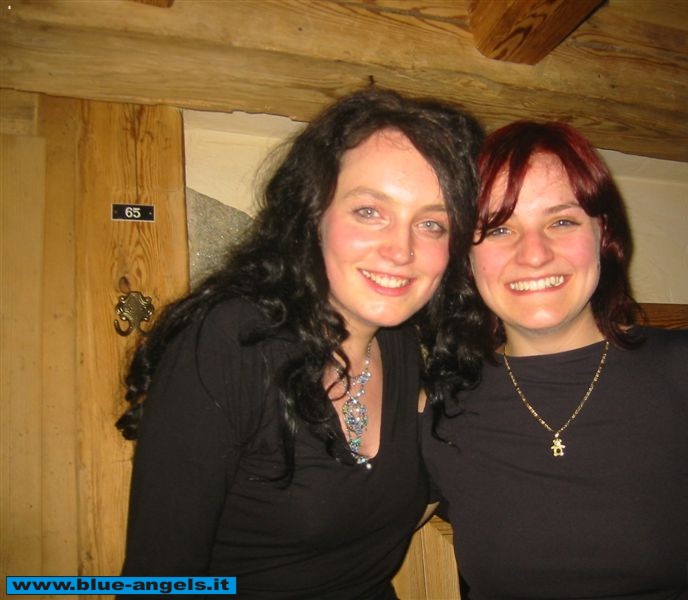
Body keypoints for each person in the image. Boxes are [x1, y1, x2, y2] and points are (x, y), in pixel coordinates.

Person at [116, 88, 483, 599]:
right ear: (312, 214)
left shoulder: (403, 347)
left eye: (431, 223)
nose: (401, 250)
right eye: (369, 211)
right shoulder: (231, 341)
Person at [422, 121, 688, 599]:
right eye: (499, 228)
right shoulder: (441, 406)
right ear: (465, 258)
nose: (534, 254)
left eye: (562, 221)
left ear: (603, 234)